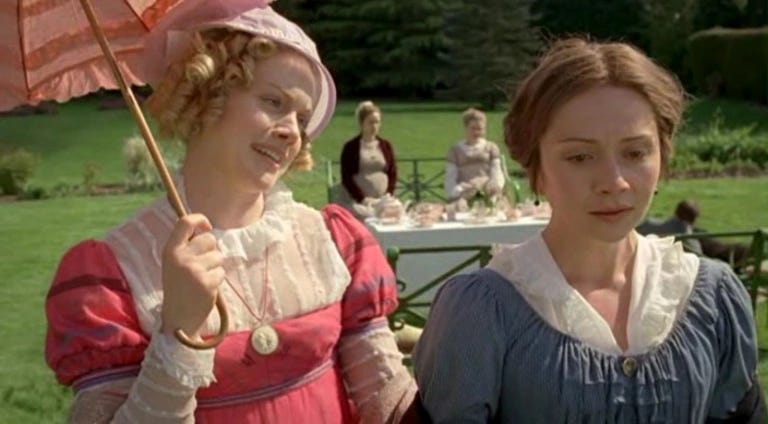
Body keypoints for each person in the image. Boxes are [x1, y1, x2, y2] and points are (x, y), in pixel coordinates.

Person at [44, 2, 416, 423]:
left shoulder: (330, 241)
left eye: (301, 118)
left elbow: (388, 403)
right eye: (273, 101)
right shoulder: (114, 274)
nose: (291, 132)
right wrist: (179, 333)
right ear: (206, 95)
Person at [413, 38, 766, 422]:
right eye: (580, 156)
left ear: (662, 157)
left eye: (635, 153)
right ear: (536, 169)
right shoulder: (481, 311)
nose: (614, 182)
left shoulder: (711, 296)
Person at [338, 100, 398, 219]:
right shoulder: (351, 147)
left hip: (383, 200)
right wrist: (363, 199)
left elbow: (393, 172)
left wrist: (388, 195)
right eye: (370, 122)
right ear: (361, 123)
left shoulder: (385, 145)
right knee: (368, 215)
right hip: (359, 201)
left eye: (377, 122)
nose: (374, 126)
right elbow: (346, 178)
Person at [443, 108, 506, 203]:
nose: (476, 132)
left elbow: (496, 173)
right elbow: (450, 178)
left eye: (480, 129)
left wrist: (494, 187)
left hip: (488, 191)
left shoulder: (491, 147)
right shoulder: (455, 150)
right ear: (466, 128)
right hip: (464, 193)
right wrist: (458, 190)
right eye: (473, 128)